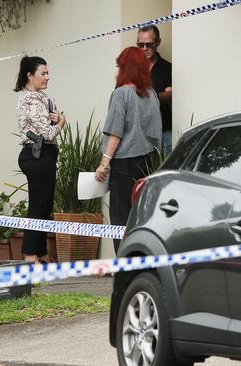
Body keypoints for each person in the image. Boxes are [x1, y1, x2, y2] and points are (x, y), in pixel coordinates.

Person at [95, 47, 162, 252]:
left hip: (124, 163)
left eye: (119, 66)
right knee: (143, 215)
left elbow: (116, 132)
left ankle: (125, 267)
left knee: (121, 217)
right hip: (149, 161)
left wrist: (104, 162)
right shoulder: (151, 95)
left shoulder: (121, 93)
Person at [15, 56, 67, 264]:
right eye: (43, 73)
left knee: (43, 205)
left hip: (39, 155)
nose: (47, 77)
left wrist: (53, 118)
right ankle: (30, 256)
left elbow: (43, 125)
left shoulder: (38, 98)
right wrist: (61, 123)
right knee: (38, 205)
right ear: (30, 75)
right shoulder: (32, 99)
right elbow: (47, 134)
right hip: (38, 153)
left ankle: (39, 254)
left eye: (48, 73)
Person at [137, 25, 173, 154]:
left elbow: (170, 96)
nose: (144, 48)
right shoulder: (131, 70)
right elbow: (121, 95)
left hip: (163, 131)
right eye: (140, 45)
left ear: (158, 43)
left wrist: (144, 97)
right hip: (138, 134)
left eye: (149, 44)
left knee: (167, 172)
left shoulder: (168, 68)